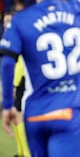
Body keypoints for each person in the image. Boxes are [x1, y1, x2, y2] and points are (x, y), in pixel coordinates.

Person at [0, 0, 80, 157]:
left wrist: (7, 105)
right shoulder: (77, 9)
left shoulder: (19, 21)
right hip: (68, 112)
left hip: (35, 114)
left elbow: (7, 62)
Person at [3, 12, 31, 157]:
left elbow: (20, 63)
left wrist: (14, 84)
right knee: (17, 117)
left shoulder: (18, 37)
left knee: (19, 116)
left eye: (9, 21)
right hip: (17, 81)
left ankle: (26, 153)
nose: (6, 24)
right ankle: (21, 151)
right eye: (5, 21)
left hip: (21, 82)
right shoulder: (10, 38)